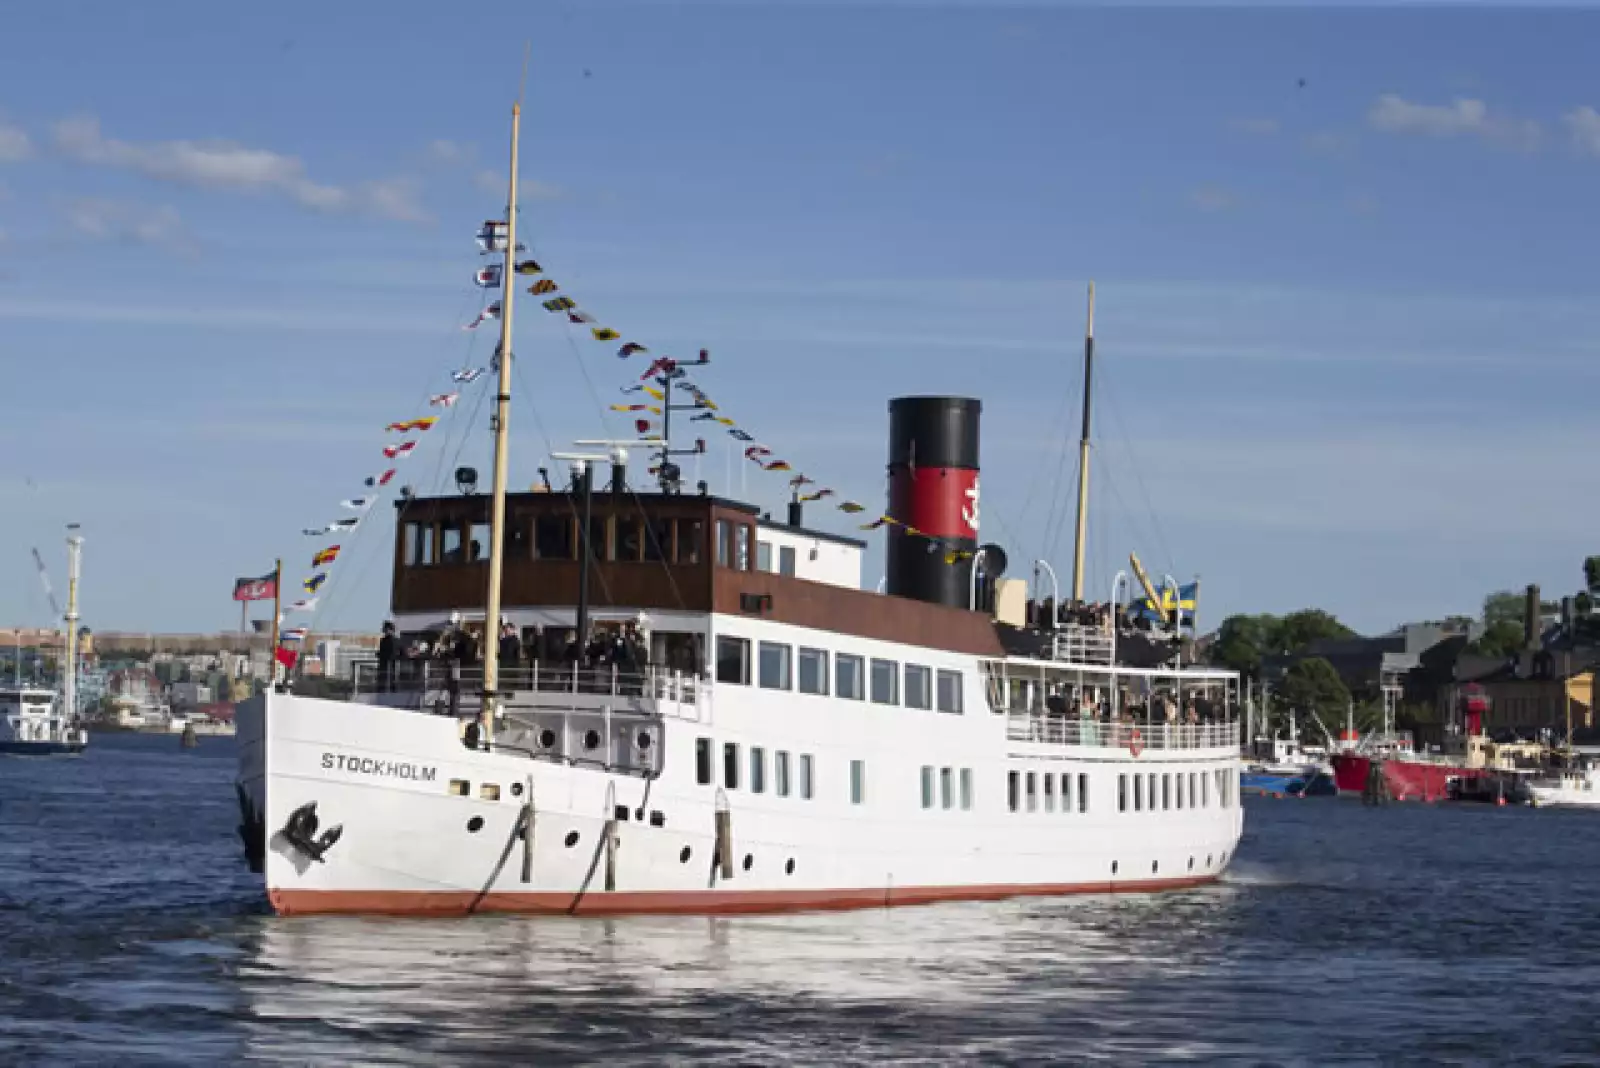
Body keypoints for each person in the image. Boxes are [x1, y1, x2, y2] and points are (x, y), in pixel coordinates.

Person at [377, 621, 398, 692]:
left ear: (389, 629)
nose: (383, 630)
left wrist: (379, 654)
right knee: (390, 682)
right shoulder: (396, 640)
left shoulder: (385, 640)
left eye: (385, 628)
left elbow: (387, 652)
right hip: (391, 666)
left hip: (387, 665)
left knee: (385, 682)